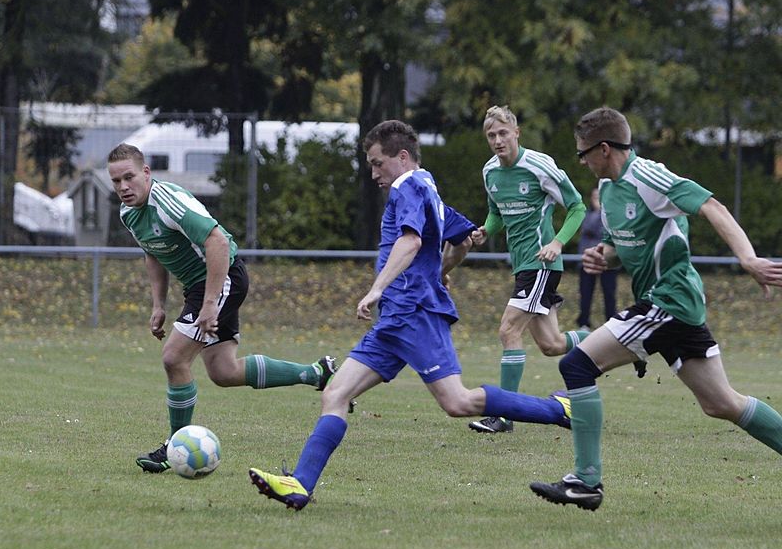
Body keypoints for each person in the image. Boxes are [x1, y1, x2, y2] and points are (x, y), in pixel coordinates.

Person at [248, 120, 573, 511]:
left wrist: (378, 287)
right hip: (395, 319)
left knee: (458, 402)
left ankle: (558, 409)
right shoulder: (427, 186)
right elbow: (462, 238)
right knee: (335, 393)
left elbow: (411, 240)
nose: (374, 174)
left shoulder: (407, 187)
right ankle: (300, 484)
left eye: (377, 163)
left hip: (414, 312)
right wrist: (442, 270)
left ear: (402, 157)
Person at [530, 106, 782, 511]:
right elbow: (622, 248)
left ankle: (586, 482)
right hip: (671, 308)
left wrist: (748, 260)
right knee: (721, 404)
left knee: (575, 365)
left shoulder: (648, 176)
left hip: (669, 301)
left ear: (604, 149)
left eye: (583, 153)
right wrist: (603, 257)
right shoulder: (609, 191)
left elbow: (713, 207)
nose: (581, 162)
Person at [107, 143, 336, 473]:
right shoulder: (129, 213)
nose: (123, 187)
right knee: (223, 372)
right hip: (199, 288)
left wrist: (211, 303)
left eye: (129, 177)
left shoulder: (168, 201)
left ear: (146, 172)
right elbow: (152, 253)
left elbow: (217, 241)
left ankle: (175, 446)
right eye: (116, 181)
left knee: (174, 357)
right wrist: (158, 304)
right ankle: (316, 373)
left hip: (221, 278)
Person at [468, 105, 588, 434]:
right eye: (491, 135)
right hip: (522, 265)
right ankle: (616, 341)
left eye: (503, 133)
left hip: (541, 263)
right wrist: (485, 230)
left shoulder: (539, 165)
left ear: (517, 133)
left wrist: (558, 243)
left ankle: (504, 414)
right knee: (551, 344)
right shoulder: (490, 171)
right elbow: (497, 214)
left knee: (508, 330)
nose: (497, 140)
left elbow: (577, 206)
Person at [576, 187, 617, 331]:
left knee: (609, 293)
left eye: (600, 197)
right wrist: (599, 212)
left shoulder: (613, 213)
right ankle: (584, 322)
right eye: (595, 197)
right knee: (586, 293)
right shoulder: (586, 214)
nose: (597, 200)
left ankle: (611, 322)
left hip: (608, 260)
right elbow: (589, 228)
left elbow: (606, 231)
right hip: (588, 259)